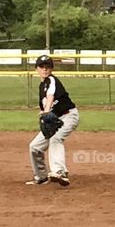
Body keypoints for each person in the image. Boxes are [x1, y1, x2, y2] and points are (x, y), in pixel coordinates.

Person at [26, 55, 79, 187]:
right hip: (56, 119)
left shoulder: (51, 80)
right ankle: (41, 177)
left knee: (56, 138)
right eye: (42, 66)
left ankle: (60, 172)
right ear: (36, 69)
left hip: (68, 116)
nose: (45, 69)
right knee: (35, 147)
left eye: (48, 67)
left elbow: (50, 96)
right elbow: (45, 103)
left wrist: (46, 111)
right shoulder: (41, 86)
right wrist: (44, 112)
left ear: (51, 69)